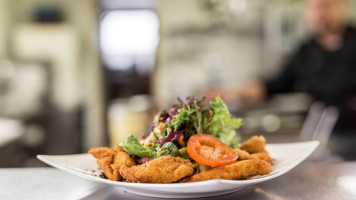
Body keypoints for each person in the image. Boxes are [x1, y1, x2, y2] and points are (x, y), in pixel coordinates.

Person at [206, 0, 356, 160]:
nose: (319, 14)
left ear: (342, 8)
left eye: (325, 6)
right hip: (324, 137)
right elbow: (271, 85)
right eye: (314, 8)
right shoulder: (305, 52)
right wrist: (228, 93)